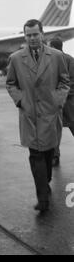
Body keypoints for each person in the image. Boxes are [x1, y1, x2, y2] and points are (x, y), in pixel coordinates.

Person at [6, 20, 70, 213]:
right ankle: (42, 198)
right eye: (28, 35)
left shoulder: (57, 57)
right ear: (24, 36)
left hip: (50, 114)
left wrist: (57, 101)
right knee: (35, 156)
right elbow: (11, 83)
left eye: (35, 34)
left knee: (49, 153)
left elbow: (64, 82)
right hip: (29, 115)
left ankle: (46, 181)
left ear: (42, 34)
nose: (32, 38)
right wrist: (20, 100)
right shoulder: (16, 58)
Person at [49, 37, 74, 166]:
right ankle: (54, 155)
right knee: (54, 129)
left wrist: (61, 94)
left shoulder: (68, 60)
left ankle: (54, 156)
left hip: (67, 101)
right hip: (59, 102)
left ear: (53, 46)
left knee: (63, 127)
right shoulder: (50, 60)